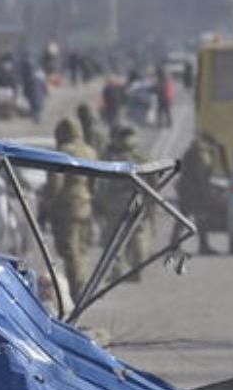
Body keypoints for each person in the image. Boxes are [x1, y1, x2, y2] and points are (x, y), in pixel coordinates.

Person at [41, 118, 98, 299]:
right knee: (81, 247)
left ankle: (77, 287)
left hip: (66, 206)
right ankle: (82, 283)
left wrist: (47, 208)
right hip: (85, 204)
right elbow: (94, 182)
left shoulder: (62, 152)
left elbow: (55, 184)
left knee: (69, 249)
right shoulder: (90, 152)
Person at [98, 124, 153, 280]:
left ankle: (116, 271)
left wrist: (99, 202)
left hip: (114, 201)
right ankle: (137, 269)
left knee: (112, 238)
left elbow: (101, 181)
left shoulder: (109, 155)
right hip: (136, 200)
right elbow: (153, 177)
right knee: (136, 235)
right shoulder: (140, 154)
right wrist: (150, 200)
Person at [179, 134, 222, 254]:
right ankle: (202, 246)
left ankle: (203, 246)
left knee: (193, 219)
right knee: (188, 218)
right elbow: (199, 175)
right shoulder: (198, 153)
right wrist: (205, 193)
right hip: (194, 192)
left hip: (191, 190)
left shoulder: (196, 152)